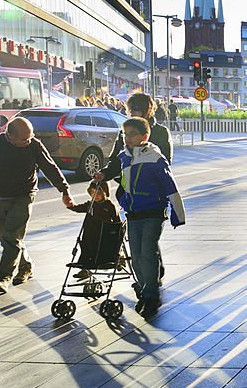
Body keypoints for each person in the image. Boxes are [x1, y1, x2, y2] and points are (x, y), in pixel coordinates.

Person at [0, 117, 74, 292]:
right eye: (24, 139)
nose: (28, 141)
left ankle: (3, 278)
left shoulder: (34, 145)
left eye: (30, 137)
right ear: (9, 135)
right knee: (9, 239)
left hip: (23, 196)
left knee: (12, 238)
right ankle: (26, 267)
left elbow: (50, 167)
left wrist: (64, 190)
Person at [116, 117, 186, 316]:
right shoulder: (125, 158)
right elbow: (124, 183)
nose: (127, 138)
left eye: (132, 134)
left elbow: (170, 187)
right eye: (125, 134)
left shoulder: (155, 158)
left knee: (148, 252)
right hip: (133, 213)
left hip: (153, 213)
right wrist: (122, 198)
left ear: (144, 136)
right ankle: (144, 288)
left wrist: (177, 214)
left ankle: (151, 296)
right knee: (136, 256)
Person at [96, 92, 172, 185]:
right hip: (128, 189)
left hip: (153, 190)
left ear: (147, 111)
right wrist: (104, 174)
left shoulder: (161, 132)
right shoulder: (124, 131)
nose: (131, 113)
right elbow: (116, 160)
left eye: (135, 109)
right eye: (130, 109)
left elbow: (164, 163)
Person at [66, 178, 120, 280]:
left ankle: (117, 257)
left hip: (105, 234)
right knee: (86, 243)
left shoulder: (110, 205)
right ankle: (85, 268)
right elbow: (80, 208)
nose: (95, 196)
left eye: (98, 193)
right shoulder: (90, 204)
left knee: (96, 230)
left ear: (105, 192)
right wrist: (71, 206)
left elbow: (117, 222)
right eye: (92, 193)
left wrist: (118, 237)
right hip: (90, 234)